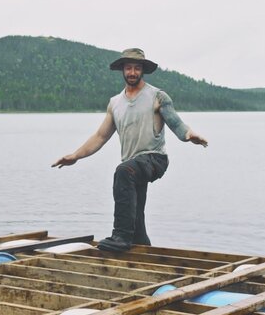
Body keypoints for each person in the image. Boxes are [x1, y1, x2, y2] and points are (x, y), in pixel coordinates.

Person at [52, 48, 208, 252]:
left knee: (123, 171)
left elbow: (176, 123)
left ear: (142, 70)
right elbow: (100, 136)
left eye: (136, 68)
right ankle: (142, 247)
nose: (132, 72)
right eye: (128, 68)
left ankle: (120, 236)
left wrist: (189, 135)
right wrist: (75, 156)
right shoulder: (115, 103)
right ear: (123, 71)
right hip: (134, 165)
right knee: (136, 218)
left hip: (154, 159)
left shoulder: (157, 96)